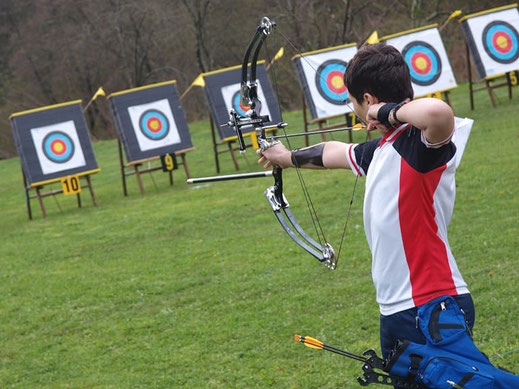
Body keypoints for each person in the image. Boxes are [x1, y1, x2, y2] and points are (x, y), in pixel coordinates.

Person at [256, 43, 475, 366]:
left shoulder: (421, 147)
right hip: (400, 308)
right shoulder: (383, 150)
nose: (355, 109)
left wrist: (382, 112)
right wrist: (286, 157)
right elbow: (332, 152)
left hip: (430, 304)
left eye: (356, 102)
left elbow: (439, 114)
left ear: (369, 101)